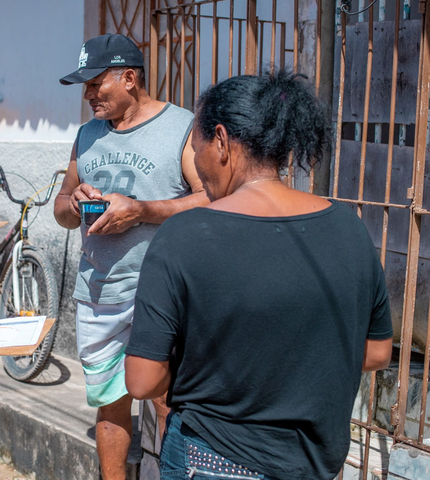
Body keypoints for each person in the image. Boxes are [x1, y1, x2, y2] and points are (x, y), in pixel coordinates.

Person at [125, 71, 394, 480]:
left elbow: (143, 380)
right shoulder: (350, 228)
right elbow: (376, 353)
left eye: (196, 149)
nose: (196, 164)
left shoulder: (184, 234)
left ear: (220, 141)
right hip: (314, 465)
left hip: (212, 460)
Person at [53, 33, 209, 480]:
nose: (87, 95)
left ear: (129, 78)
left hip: (161, 291)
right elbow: (61, 207)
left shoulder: (182, 128)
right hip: (99, 292)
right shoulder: (87, 135)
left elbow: (210, 199)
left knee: (167, 400)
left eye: (95, 84)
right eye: (84, 86)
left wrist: (142, 211)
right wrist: (74, 204)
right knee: (109, 403)